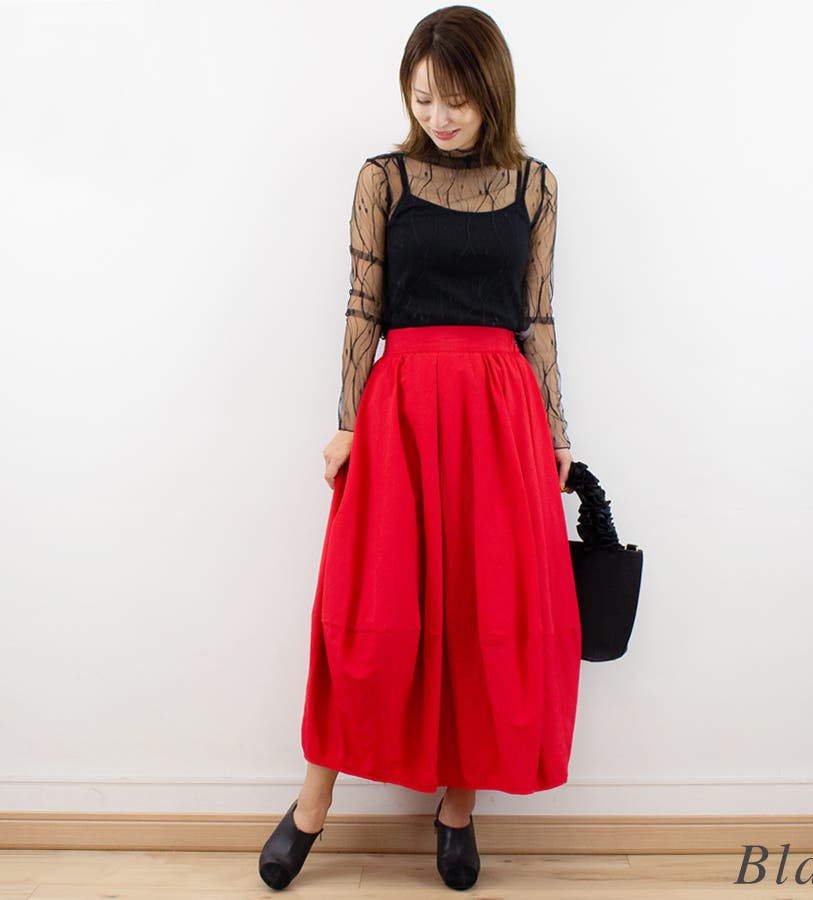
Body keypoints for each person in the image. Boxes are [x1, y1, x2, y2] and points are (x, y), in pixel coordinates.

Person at [259, 5, 581, 892]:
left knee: (483, 609)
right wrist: (348, 419)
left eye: (458, 100)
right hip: (400, 407)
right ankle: (312, 805)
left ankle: (457, 810)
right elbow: (362, 304)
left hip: (501, 412)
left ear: (493, 94)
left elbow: (538, 314)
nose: (438, 116)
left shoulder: (536, 185)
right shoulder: (384, 178)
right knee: (368, 610)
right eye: (423, 97)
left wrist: (557, 431)